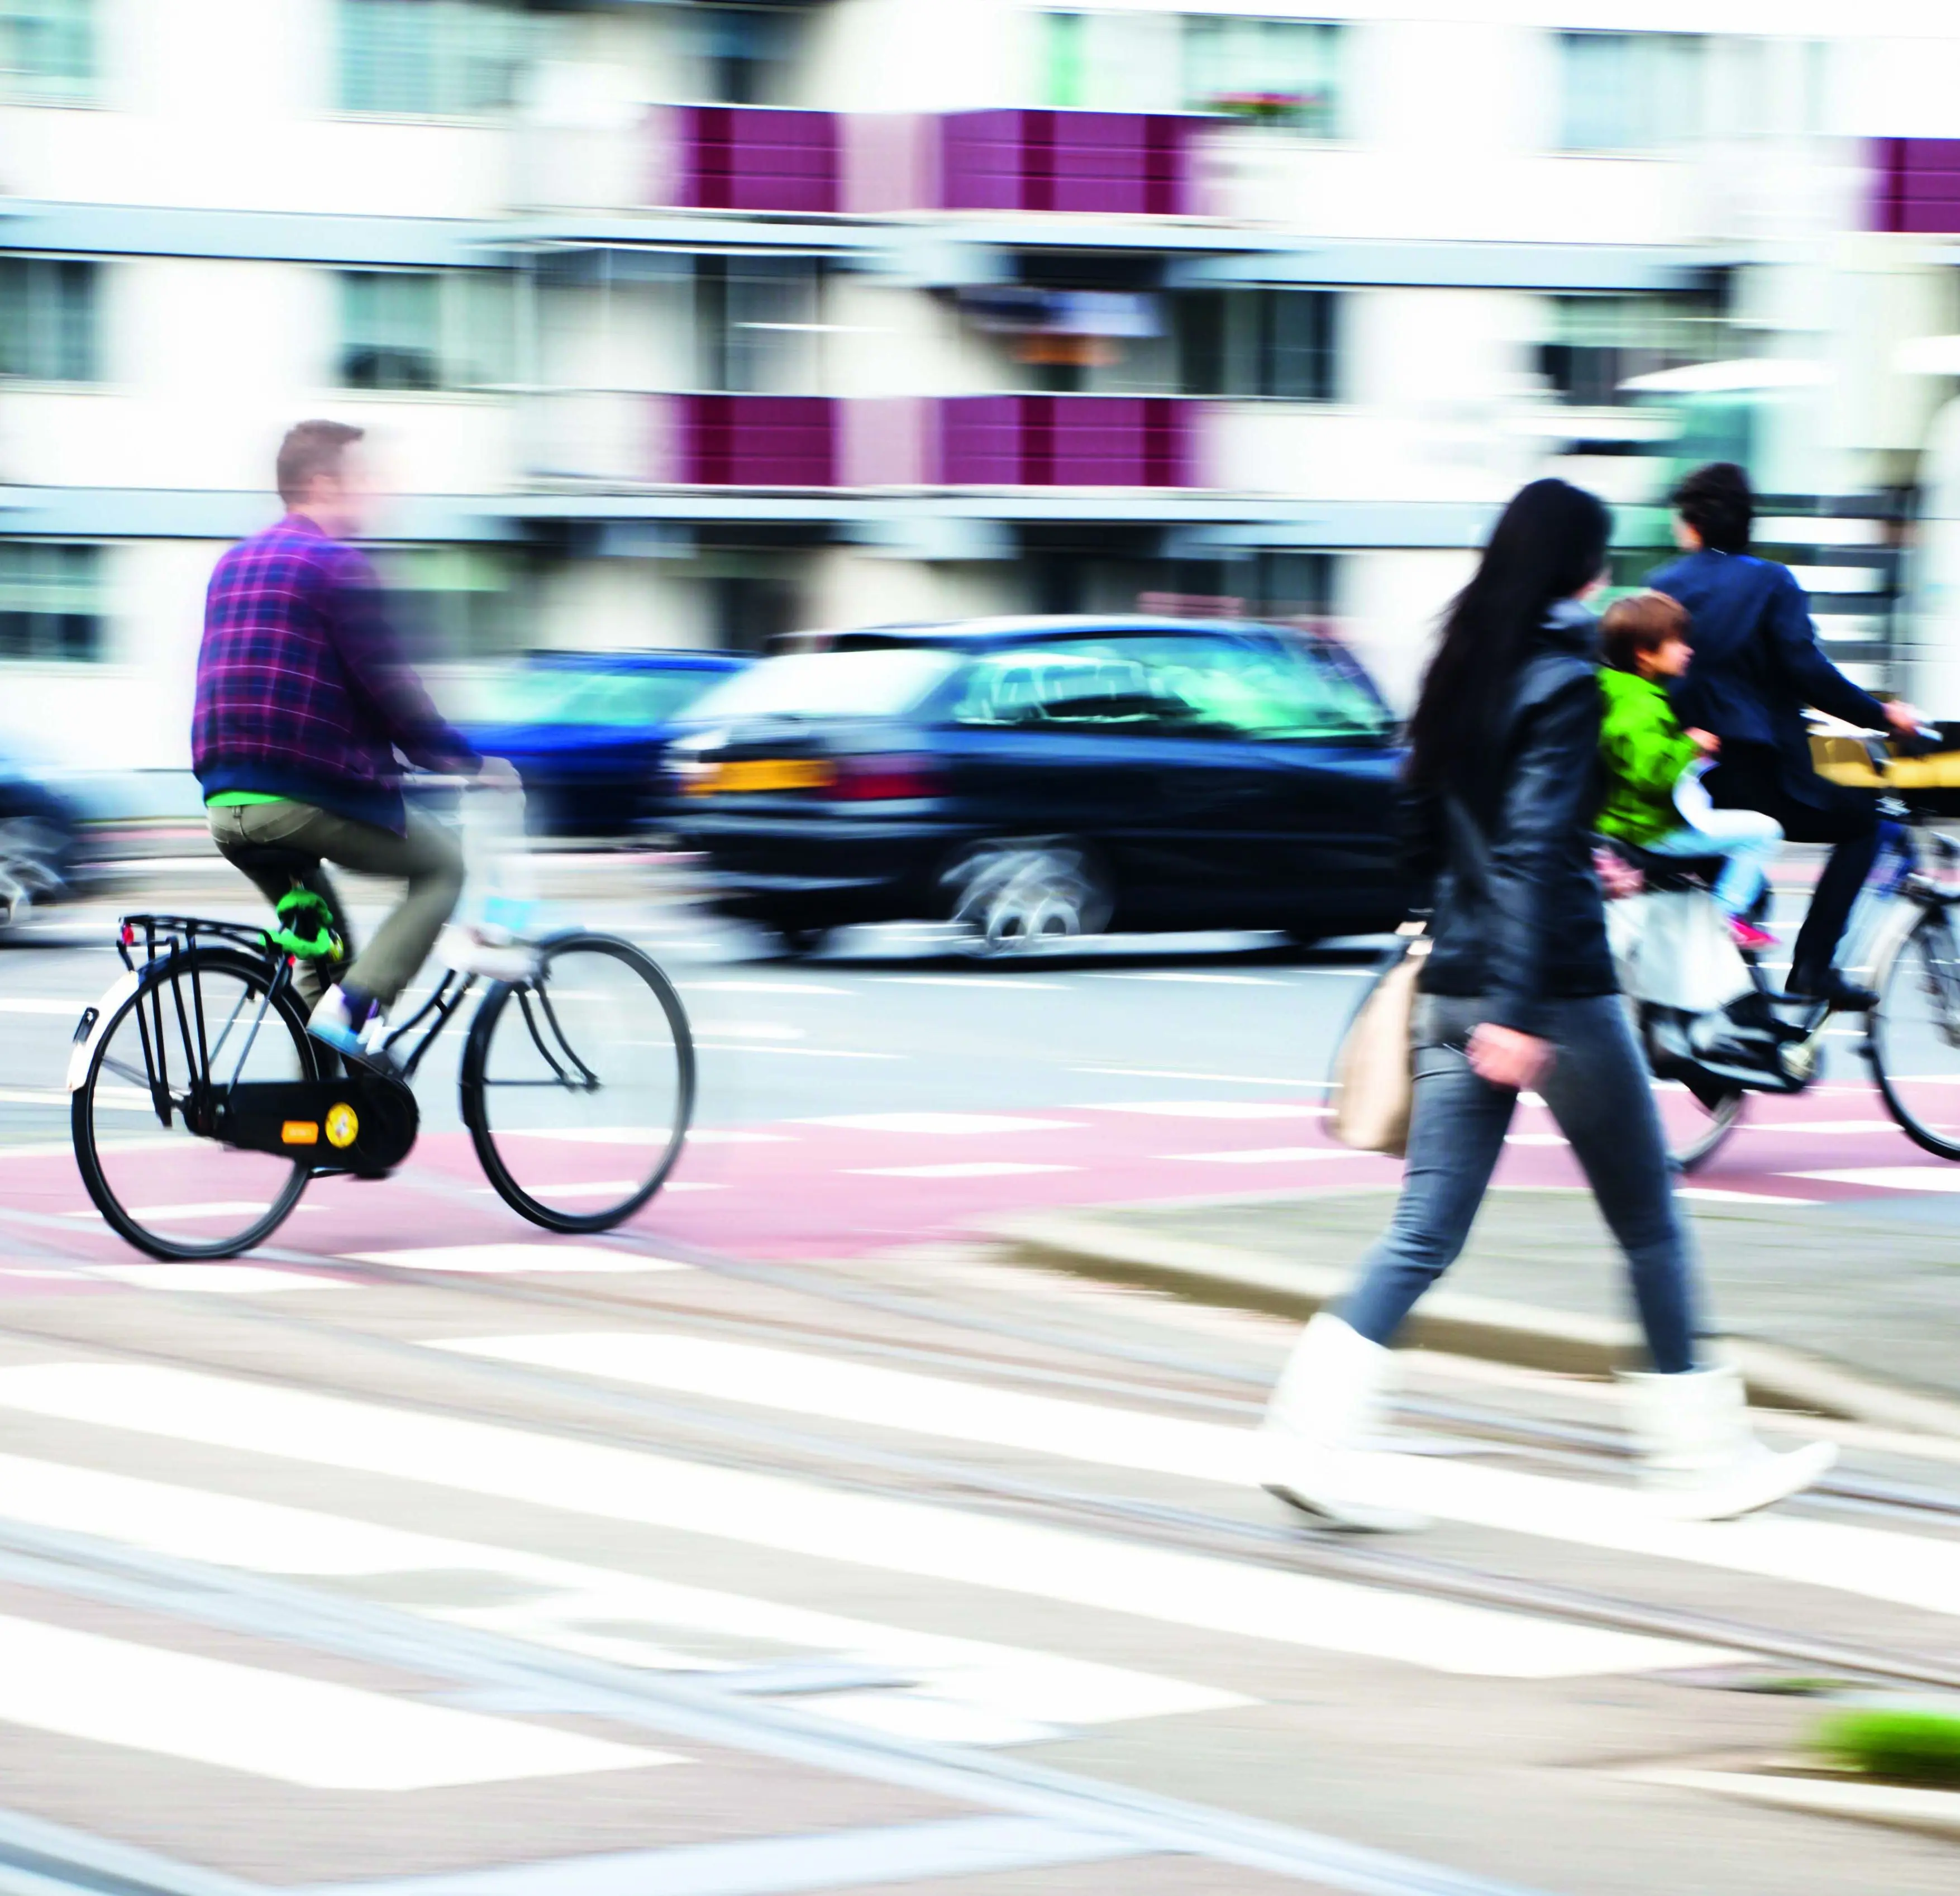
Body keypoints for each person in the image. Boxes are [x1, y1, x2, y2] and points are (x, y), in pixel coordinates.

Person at [1258, 478, 1835, 1529]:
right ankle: (1699, 1461)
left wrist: (1478, 922)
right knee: (1648, 1223)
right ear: (1580, 567)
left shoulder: (1461, 666)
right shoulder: (1567, 683)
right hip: (1551, 992)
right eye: (1601, 558)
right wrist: (1520, 1008)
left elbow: (1420, 827)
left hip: (1449, 982)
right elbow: (1530, 850)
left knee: (1422, 1234)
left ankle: (1304, 1435)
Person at [193, 419, 512, 1067]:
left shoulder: (231, 565)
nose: (373, 491)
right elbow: (391, 691)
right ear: (321, 482)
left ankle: (324, 1105)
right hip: (298, 799)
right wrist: (467, 761)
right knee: (443, 866)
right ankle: (359, 1006)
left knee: (325, 952)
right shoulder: (335, 566)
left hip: (226, 802)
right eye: (361, 478)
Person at [1648, 462, 1922, 1010]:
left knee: (1747, 882)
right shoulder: (1771, 582)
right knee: (1863, 820)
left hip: (1684, 772)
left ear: (1690, 524)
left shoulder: (1661, 586)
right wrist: (1881, 714)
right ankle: (1812, 966)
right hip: (1758, 767)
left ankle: (1735, 1002)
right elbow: (1807, 672)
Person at [1595, 589, 1783, 952]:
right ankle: (1725, 917)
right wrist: (1688, 746)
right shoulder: (1638, 703)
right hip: (1650, 828)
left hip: (1629, 820)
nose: (1688, 650)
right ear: (1644, 653)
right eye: (1677, 642)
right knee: (1763, 831)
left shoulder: (1621, 691)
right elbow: (1650, 774)